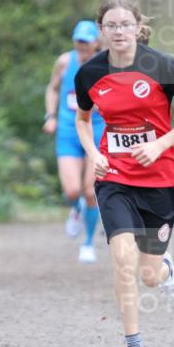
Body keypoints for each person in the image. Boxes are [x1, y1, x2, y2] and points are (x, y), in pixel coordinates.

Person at [75, 0, 174, 347]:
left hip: (160, 177)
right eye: (111, 25)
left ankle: (165, 269)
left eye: (125, 24)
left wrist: (162, 143)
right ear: (101, 30)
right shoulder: (90, 73)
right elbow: (83, 121)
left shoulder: (160, 66)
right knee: (122, 257)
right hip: (114, 176)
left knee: (149, 275)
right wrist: (93, 154)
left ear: (138, 26)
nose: (118, 32)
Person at [42, 21, 105, 263]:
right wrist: (50, 116)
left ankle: (88, 243)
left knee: (90, 191)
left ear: (96, 43)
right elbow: (52, 89)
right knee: (71, 190)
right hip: (69, 129)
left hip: (98, 130)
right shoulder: (65, 62)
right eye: (78, 40)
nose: (81, 45)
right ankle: (77, 210)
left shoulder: (107, 64)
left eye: (86, 41)